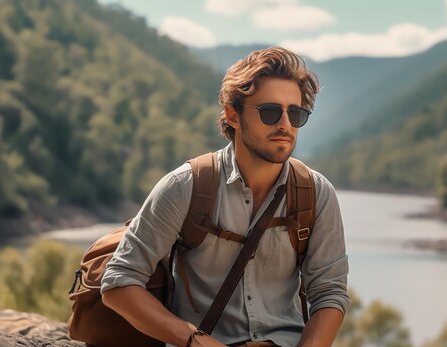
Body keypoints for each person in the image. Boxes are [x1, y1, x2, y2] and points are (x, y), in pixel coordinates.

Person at [100, 47, 350, 347]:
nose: (285, 124)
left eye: (295, 114)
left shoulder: (316, 193)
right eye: (270, 112)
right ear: (233, 115)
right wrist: (193, 340)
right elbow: (119, 281)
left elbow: (330, 293)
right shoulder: (186, 186)